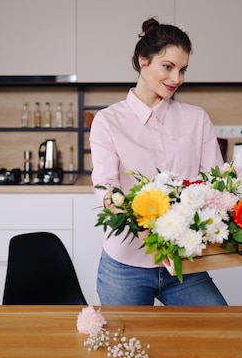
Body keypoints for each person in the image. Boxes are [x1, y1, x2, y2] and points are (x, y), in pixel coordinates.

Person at [89, 17, 227, 306]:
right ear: (143, 61)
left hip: (184, 265)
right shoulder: (108, 121)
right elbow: (107, 188)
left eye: (183, 69)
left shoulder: (196, 119)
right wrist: (143, 225)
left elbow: (216, 184)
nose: (176, 78)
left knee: (217, 333)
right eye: (168, 67)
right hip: (125, 265)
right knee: (125, 347)